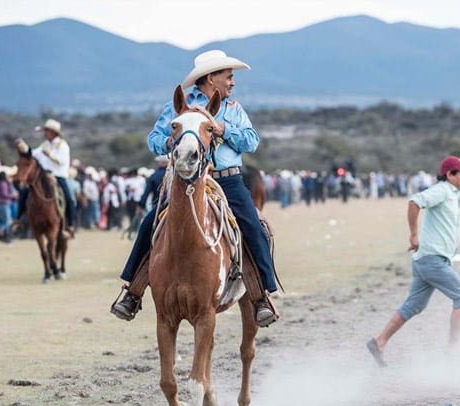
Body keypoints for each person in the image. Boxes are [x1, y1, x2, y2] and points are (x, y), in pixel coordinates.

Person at [111, 49, 279, 327]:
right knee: (151, 223)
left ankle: (262, 296)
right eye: (229, 76)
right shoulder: (180, 106)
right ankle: (133, 291)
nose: (233, 82)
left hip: (227, 179)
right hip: (186, 179)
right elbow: (154, 137)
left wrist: (224, 129)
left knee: (253, 226)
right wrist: (169, 143)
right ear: (211, 78)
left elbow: (252, 141)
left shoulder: (233, 109)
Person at [367, 156, 460, 367]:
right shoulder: (442, 190)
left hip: (429, 260)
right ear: (448, 175)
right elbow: (415, 202)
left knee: (413, 306)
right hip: (431, 260)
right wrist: (413, 235)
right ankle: (453, 351)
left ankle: (379, 342)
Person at [15, 119, 77, 236]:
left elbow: (62, 161)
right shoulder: (45, 145)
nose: (45, 133)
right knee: (24, 192)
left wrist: (50, 155)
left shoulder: (63, 145)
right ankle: (19, 219)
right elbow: (33, 153)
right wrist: (24, 146)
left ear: (53, 132)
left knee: (69, 198)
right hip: (43, 176)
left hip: (58, 176)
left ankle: (70, 226)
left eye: (47, 131)